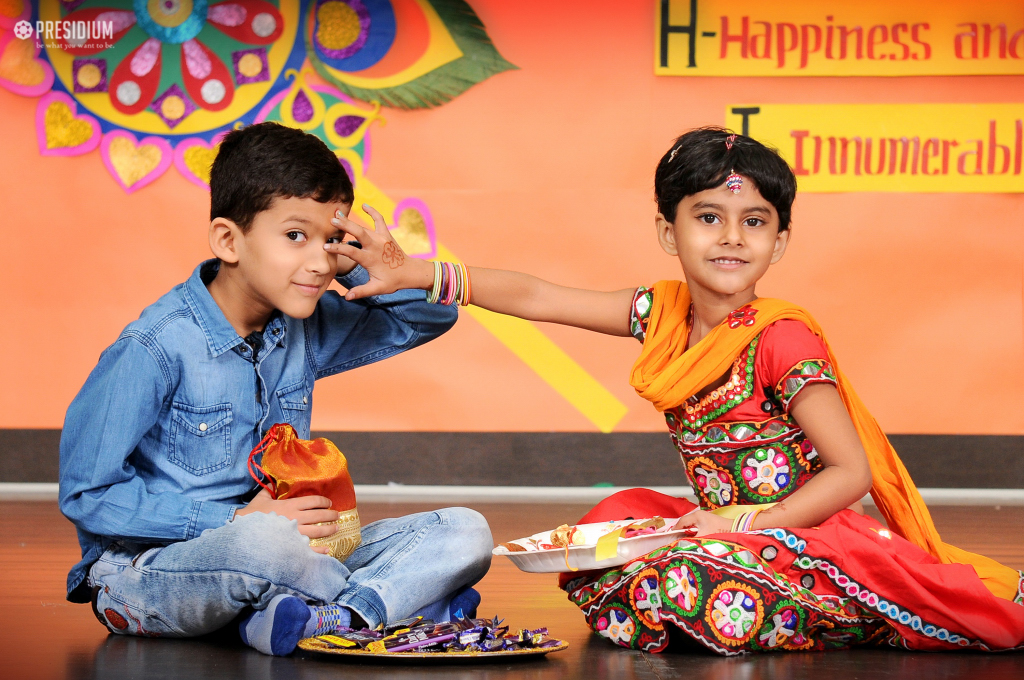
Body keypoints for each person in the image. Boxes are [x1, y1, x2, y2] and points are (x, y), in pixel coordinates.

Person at [326, 127, 1024, 653]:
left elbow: (851, 473)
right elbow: (542, 296)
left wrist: (745, 526)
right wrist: (417, 273)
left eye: (755, 222)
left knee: (690, 569)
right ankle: (705, 595)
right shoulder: (663, 314)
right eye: (708, 217)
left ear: (780, 242)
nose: (732, 237)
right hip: (718, 531)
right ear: (669, 229)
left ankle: (827, 609)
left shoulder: (781, 338)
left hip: (799, 533)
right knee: (611, 520)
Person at [59, 122, 492, 657]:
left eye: (331, 240)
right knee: (264, 545)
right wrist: (235, 520)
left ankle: (324, 616)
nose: (319, 262)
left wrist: (370, 265)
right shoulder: (154, 347)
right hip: (157, 569)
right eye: (296, 236)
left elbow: (429, 318)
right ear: (227, 240)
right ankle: (392, 606)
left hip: (294, 552)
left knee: (465, 532)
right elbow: (85, 494)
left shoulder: (301, 325)